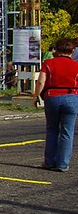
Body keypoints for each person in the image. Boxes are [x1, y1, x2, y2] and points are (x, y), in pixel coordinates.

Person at [32, 37, 78, 172]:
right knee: (67, 132)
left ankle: (49, 162)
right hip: (72, 96)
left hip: (52, 97)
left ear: (56, 50)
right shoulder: (76, 65)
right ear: (72, 51)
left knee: (52, 130)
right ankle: (63, 164)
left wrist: (36, 96)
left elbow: (41, 82)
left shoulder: (48, 63)